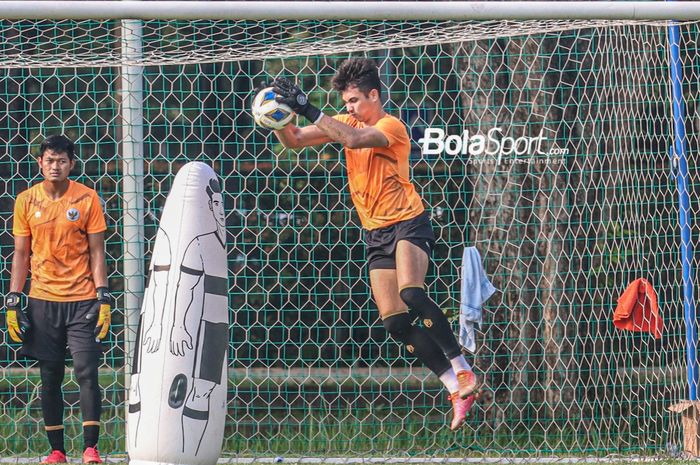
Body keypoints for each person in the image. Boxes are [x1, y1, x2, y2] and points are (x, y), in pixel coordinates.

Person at [269, 58, 479, 430]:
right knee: (396, 322)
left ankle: (462, 368)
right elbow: (297, 140)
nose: (348, 108)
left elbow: (350, 140)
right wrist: (276, 117)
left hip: (408, 224)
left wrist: (306, 106)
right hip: (376, 233)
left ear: (374, 95)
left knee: (412, 293)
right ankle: (454, 388)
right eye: (345, 103)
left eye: (353, 101)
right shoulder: (346, 120)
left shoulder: (390, 126)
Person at [5, 135, 112, 463]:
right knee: (50, 375)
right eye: (50, 160)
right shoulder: (25, 200)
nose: (55, 166)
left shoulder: (87, 198)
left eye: (62, 161)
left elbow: (97, 250)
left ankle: (90, 449)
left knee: (86, 371)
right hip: (42, 300)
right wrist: (13, 299)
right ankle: (57, 452)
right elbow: (21, 253)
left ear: (71, 164)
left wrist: (103, 296)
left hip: (82, 300)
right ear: (40, 163)